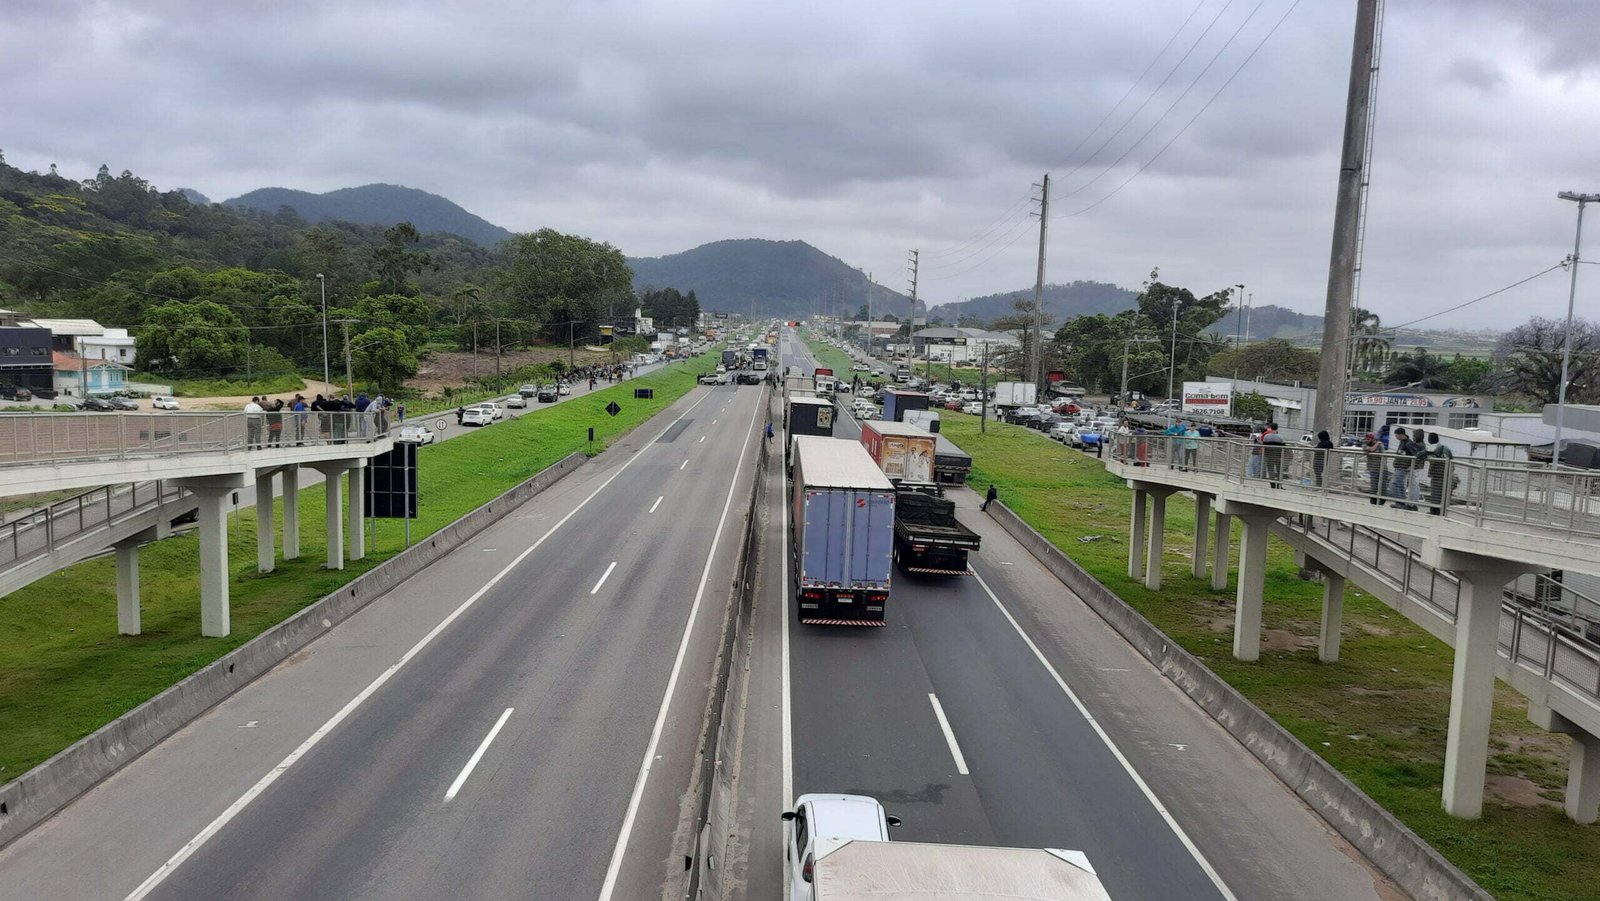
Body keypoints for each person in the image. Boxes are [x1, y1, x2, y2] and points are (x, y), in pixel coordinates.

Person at [1423, 432, 1454, 515]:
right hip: (1446, 472)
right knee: (1443, 493)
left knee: (1435, 492)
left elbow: (1422, 455)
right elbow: (1451, 459)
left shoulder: (1431, 449)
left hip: (1436, 474)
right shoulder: (1445, 448)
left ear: (1429, 440)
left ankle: (1434, 511)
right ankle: (1442, 510)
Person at [1261, 421, 1286, 487]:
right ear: (1277, 428)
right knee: (1279, 470)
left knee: (1270, 469)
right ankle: (1279, 484)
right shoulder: (1280, 437)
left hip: (1269, 455)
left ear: (1271, 428)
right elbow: (1284, 446)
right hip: (1278, 455)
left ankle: (1272, 483)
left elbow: (1264, 445)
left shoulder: (1266, 436)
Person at [1362, 432, 1384, 503]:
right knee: (1374, 485)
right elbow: (1371, 449)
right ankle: (1373, 500)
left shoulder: (1381, 445)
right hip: (1373, 468)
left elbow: (1382, 454)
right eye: (1366, 439)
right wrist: (1377, 444)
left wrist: (1377, 445)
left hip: (1382, 468)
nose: (1366, 440)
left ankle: (1381, 500)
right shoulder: (1365, 445)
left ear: (1373, 439)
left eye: (1368, 439)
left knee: (1382, 485)